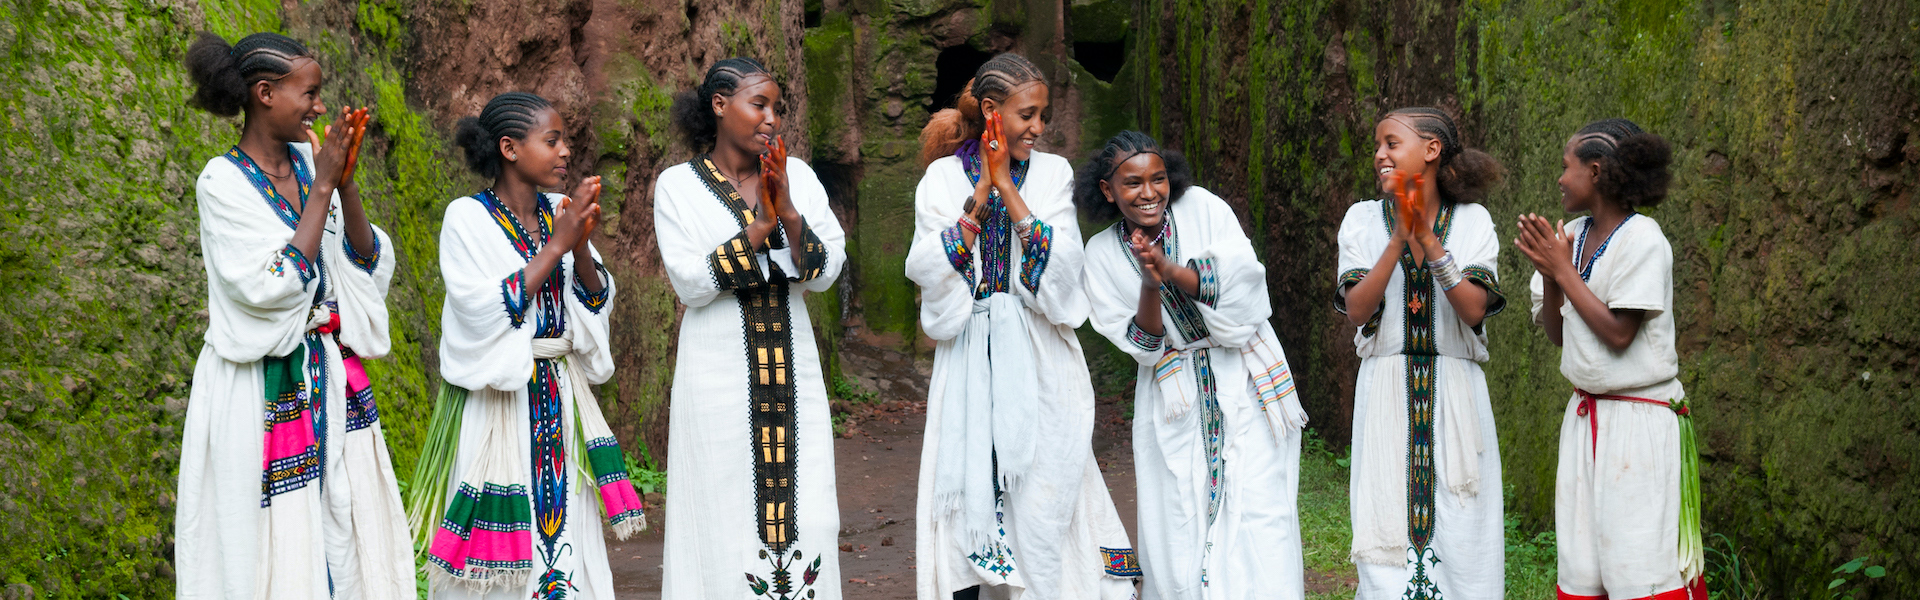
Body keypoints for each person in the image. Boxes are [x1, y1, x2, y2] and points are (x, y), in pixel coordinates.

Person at [174, 31, 412, 599]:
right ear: (264, 94)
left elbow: (362, 262)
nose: (321, 107)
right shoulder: (221, 181)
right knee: (266, 543)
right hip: (257, 390)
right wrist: (324, 186)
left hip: (330, 378)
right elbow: (270, 285)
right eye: (309, 93)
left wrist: (344, 182)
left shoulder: (313, 164)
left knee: (343, 530)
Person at [905, 53, 1136, 600]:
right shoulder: (941, 178)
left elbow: (1063, 270)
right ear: (990, 111)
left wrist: (1008, 185)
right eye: (1026, 115)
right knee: (964, 492)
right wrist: (982, 191)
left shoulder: (1052, 174)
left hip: (1040, 356)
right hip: (968, 353)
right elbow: (927, 267)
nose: (1038, 127)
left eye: (1043, 115)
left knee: (1044, 490)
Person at [413, 91, 645, 599]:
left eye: (566, 141)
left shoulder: (558, 212)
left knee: (567, 538)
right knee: (501, 559)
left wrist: (579, 242)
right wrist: (559, 244)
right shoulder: (466, 218)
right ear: (510, 148)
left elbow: (596, 298)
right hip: (501, 402)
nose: (566, 152)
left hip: (560, 400)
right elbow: (480, 310)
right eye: (553, 140)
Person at [1078, 131, 1309, 599]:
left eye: (1158, 179)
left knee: (1260, 512)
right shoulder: (1100, 254)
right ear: (1108, 190)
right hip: (1173, 395)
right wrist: (1148, 283)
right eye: (1132, 183)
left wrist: (1170, 271)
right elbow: (1142, 344)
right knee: (1178, 517)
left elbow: (1243, 284)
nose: (1149, 192)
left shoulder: (1203, 207)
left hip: (1245, 378)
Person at [653, 58, 848, 599]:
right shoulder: (677, 186)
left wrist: (786, 209)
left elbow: (828, 268)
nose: (771, 119)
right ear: (720, 104)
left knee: (809, 508)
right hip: (715, 375)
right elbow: (691, 283)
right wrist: (760, 226)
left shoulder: (799, 176)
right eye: (758, 104)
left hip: (795, 375)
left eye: (775, 108)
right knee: (719, 500)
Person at [1515, 118, 1704, 600]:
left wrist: (1562, 268)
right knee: (1586, 564)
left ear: (1596, 171)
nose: (1558, 178)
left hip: (1638, 427)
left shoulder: (1644, 240)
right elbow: (1557, 334)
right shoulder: (1570, 236)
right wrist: (1553, 275)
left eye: (1566, 167)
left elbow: (1620, 334)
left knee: (1639, 566)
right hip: (1585, 420)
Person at [1335, 108, 1508, 599]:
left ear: (1431, 150)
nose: (1380, 155)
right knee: (1386, 523)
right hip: (1385, 390)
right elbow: (1356, 309)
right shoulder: (1362, 220)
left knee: (1462, 528)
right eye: (1377, 146)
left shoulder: (1473, 221)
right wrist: (1396, 240)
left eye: (1392, 143)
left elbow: (1473, 310)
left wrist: (1427, 239)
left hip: (1455, 391)